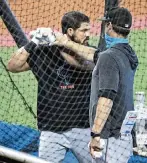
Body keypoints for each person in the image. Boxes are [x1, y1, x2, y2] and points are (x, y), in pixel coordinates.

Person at [7, 11, 95, 163]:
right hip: (51, 129)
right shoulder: (44, 52)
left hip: (82, 128)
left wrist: (60, 43)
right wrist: (33, 43)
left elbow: (88, 65)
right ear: (70, 31)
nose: (88, 34)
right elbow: (13, 66)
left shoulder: (87, 53)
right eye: (84, 30)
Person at [54, 7, 139, 163]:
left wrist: (95, 134)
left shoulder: (109, 57)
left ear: (110, 26)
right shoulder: (128, 53)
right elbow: (95, 55)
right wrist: (67, 43)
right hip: (124, 132)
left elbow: (106, 98)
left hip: (109, 134)